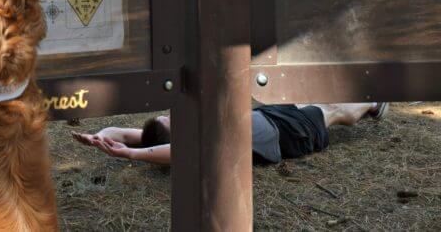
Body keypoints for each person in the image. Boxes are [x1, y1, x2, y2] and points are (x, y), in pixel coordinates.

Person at [71, 102, 389, 165]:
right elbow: (176, 154)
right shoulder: (199, 146)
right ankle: (373, 104)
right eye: (170, 121)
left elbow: (120, 132)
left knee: (320, 105)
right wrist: (128, 154)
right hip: (289, 134)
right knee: (335, 113)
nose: (171, 115)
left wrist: (100, 135)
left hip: (266, 116)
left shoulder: (163, 133)